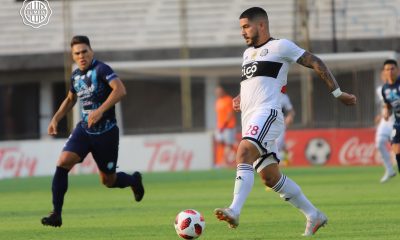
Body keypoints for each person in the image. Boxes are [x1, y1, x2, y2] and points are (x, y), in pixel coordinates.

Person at [214, 7, 356, 236]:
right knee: (270, 178)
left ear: (261, 25)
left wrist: (338, 93)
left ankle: (235, 210)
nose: (242, 32)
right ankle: (314, 215)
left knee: (243, 153)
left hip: (268, 113)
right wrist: (242, 96)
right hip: (250, 117)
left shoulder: (281, 46)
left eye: (245, 26)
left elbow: (315, 61)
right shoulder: (247, 54)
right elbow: (257, 83)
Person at [41, 36, 145, 227]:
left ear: (91, 51)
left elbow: (120, 90)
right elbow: (71, 98)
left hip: (106, 133)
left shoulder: (101, 69)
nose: (81, 56)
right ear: (73, 56)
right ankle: (56, 213)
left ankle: (133, 180)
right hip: (84, 130)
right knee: (63, 162)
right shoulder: (75, 76)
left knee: (108, 181)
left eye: (84, 51)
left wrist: (100, 110)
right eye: (77, 53)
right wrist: (56, 118)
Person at [375, 69, 396, 183]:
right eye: (384, 74)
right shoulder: (380, 90)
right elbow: (385, 104)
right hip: (385, 121)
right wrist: (380, 115)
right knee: (379, 142)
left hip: (397, 120)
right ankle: (389, 169)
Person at [381, 59, 400, 177]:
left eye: (392, 68)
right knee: (397, 152)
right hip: (398, 121)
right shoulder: (385, 89)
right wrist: (386, 111)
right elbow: (387, 104)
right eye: (387, 69)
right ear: (384, 72)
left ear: (397, 70)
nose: (390, 71)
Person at [214, 85, 237, 167]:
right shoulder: (218, 101)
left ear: (223, 91)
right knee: (221, 143)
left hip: (228, 126)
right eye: (217, 92)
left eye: (219, 91)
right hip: (220, 127)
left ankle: (225, 162)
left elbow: (230, 113)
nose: (218, 93)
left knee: (228, 144)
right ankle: (227, 159)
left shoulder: (228, 100)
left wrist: (224, 124)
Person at [276, 93, 295, 165]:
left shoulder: (283, 96)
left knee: (278, 143)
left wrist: (290, 116)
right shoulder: (265, 93)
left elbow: (291, 110)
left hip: (280, 121)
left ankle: (282, 160)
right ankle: (286, 157)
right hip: (267, 121)